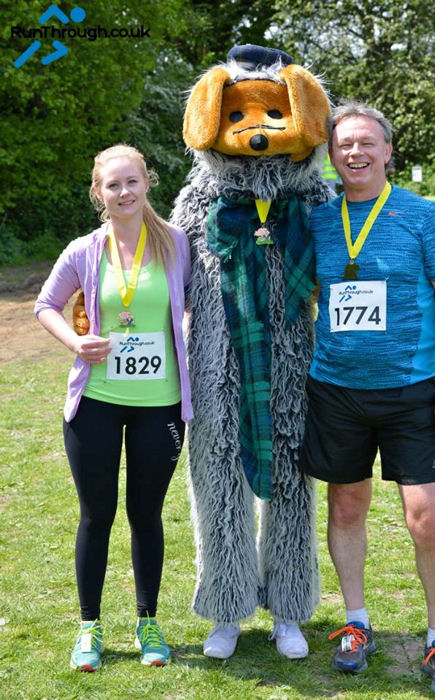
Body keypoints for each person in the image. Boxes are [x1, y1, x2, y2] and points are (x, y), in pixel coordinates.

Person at [301, 101, 435, 696]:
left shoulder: (423, 216)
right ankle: (356, 622)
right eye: (344, 144)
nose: (355, 153)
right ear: (331, 153)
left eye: (367, 143)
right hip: (337, 390)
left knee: (426, 517)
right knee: (346, 507)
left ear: (388, 150)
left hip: (412, 393)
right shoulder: (318, 217)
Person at [34, 144, 192, 672]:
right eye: (112, 185)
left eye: (132, 182)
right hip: (96, 403)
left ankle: (148, 623)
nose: (123, 193)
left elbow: (198, 305)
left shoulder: (176, 243)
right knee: (96, 515)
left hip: (161, 405)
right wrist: (75, 343)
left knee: (145, 515)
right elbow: (45, 305)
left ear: (147, 182)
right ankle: (89, 626)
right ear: (98, 193)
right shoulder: (84, 250)